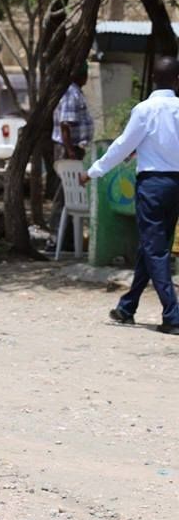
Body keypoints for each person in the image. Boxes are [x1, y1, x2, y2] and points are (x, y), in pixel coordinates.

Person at [80, 56, 179, 333]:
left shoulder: (145, 110)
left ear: (152, 80)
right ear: (177, 80)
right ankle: (127, 307)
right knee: (150, 247)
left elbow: (123, 145)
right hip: (175, 185)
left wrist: (93, 171)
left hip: (152, 185)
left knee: (155, 249)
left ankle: (173, 314)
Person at [48, 62, 94, 248]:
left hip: (73, 148)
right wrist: (71, 152)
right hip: (68, 149)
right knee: (63, 194)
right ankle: (55, 238)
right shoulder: (71, 93)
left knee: (71, 194)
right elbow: (65, 125)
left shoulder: (75, 92)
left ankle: (67, 240)